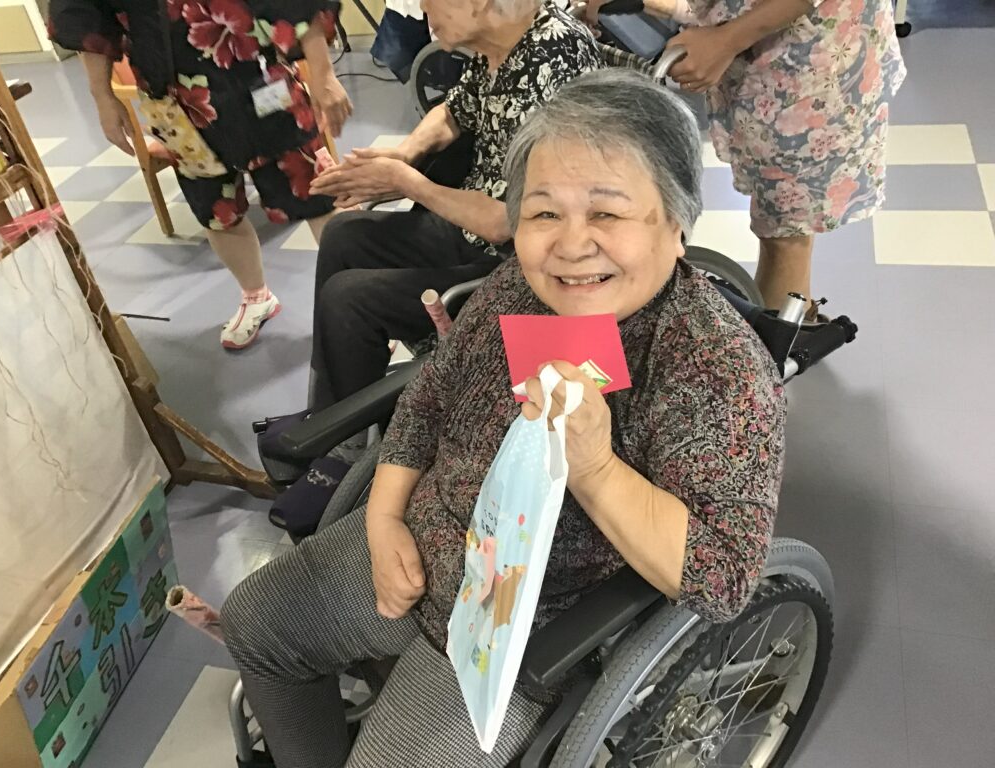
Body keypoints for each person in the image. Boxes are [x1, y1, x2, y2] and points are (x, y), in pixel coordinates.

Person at [221, 69, 786, 768]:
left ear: (675, 226)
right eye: (544, 213)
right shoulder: (516, 288)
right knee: (255, 622)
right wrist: (383, 521)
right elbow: (426, 399)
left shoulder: (714, 368)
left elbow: (723, 577)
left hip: (524, 622)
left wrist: (596, 469)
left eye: (607, 214)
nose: (571, 246)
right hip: (420, 542)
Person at [305, 0, 603, 412]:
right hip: (475, 230)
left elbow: (504, 221)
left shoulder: (552, 59)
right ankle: (328, 411)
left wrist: (406, 182)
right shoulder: (503, 42)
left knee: (349, 301)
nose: (422, 6)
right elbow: (453, 111)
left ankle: (341, 432)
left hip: (523, 267)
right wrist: (405, 154)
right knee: (343, 234)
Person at [48, 0, 353, 349]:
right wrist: (102, 95)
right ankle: (257, 297)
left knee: (319, 192)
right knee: (216, 209)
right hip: (174, 98)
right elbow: (85, 15)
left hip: (260, 74)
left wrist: (323, 73)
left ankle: (359, 298)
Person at [589, 0, 905, 312]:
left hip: (809, 64)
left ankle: (786, 334)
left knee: (786, 230)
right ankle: (793, 319)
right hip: (781, 56)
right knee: (783, 225)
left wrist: (726, 40)